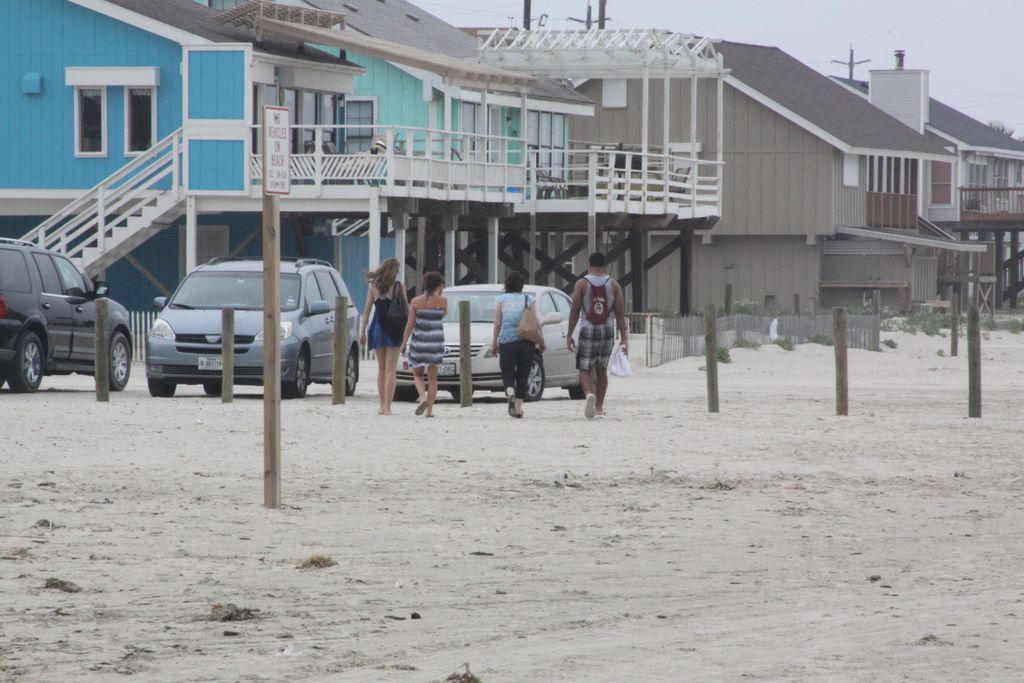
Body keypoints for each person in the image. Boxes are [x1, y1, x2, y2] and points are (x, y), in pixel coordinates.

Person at [567, 251, 629, 420]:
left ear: (589, 264)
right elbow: (620, 314)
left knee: (584, 368)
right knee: (602, 370)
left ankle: (588, 394)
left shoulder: (581, 284)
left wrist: (569, 334)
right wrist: (624, 338)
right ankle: (600, 408)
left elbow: (575, 311)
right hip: (607, 329)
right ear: (604, 264)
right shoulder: (614, 285)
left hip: (588, 328)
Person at [491, 272, 546, 419]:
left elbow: (497, 323)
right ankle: (519, 409)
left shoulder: (501, 299)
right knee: (523, 374)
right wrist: (541, 341)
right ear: (522, 286)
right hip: (526, 341)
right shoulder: (529, 299)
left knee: (507, 372)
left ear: (507, 285)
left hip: (507, 342)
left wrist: (494, 343)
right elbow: (536, 322)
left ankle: (511, 393)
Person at [359, 258, 406, 415]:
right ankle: (388, 407)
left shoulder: (374, 286)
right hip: (394, 329)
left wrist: (362, 332)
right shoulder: (399, 286)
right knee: (391, 370)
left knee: (381, 368)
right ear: (395, 271)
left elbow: (366, 311)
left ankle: (381, 405)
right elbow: (405, 309)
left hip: (377, 328)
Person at [401, 271, 447, 417]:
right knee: (433, 378)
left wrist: (404, 343)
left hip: (420, 341)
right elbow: (443, 314)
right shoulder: (443, 301)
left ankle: (422, 397)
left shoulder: (415, 301)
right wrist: (440, 293)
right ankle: (430, 411)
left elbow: (410, 324)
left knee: (418, 375)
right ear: (439, 285)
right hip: (436, 341)